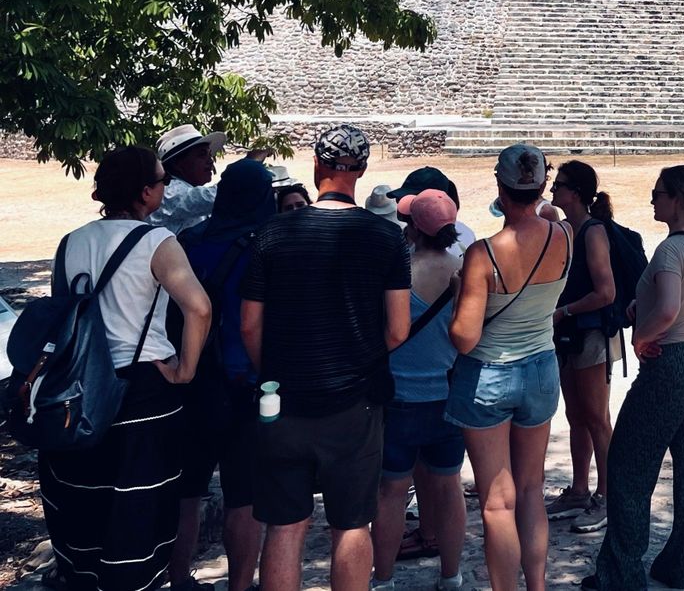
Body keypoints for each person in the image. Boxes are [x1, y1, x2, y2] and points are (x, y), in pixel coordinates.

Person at [240, 125, 411, 591]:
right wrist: (359, 354)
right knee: (352, 524)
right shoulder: (386, 237)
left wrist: (270, 371)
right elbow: (397, 329)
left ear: (316, 166)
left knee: (285, 524)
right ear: (361, 171)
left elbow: (250, 325)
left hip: (284, 399)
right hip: (355, 401)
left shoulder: (272, 233)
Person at [40, 147, 212, 591]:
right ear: (143, 192)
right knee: (140, 503)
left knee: (87, 500)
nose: (165, 186)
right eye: (161, 179)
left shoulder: (71, 241)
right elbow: (199, 308)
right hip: (143, 390)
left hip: (80, 388)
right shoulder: (157, 242)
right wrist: (186, 369)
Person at [583, 166, 684, 591]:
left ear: (677, 198)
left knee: (627, 467)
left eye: (657, 193)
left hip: (670, 363)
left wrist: (641, 337)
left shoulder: (670, 250)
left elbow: (669, 310)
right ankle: (678, 567)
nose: (652, 200)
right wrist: (639, 309)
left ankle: (620, 575)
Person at [447, 144, 570, 591]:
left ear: (500, 186)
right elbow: (553, 215)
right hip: (541, 365)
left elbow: (465, 337)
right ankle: (537, 585)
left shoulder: (483, 254)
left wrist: (461, 292)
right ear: (541, 186)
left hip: (490, 374)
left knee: (498, 503)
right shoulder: (564, 236)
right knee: (532, 489)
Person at [169, 159, 277, 591]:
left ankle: (178, 579)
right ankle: (239, 585)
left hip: (191, 381)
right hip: (245, 386)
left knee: (187, 491)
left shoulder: (186, 241)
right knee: (244, 496)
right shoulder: (266, 246)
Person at [371, 189, 467, 591]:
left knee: (391, 492)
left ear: (412, 228)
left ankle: (385, 579)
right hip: (446, 395)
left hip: (399, 398)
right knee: (449, 488)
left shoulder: (397, 271)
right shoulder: (463, 271)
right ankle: (452, 576)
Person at [546, 161, 619, 534]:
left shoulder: (591, 232)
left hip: (590, 335)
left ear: (574, 193)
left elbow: (606, 292)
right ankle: (578, 490)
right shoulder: (565, 229)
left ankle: (606, 498)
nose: (552, 191)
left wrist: (565, 312)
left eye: (558, 185)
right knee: (576, 416)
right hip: (570, 335)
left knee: (596, 418)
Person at [148, 124, 227, 233]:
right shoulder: (169, 191)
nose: (210, 161)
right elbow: (220, 194)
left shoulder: (182, 189)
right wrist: (248, 167)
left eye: (210, 155)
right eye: (202, 155)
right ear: (177, 164)